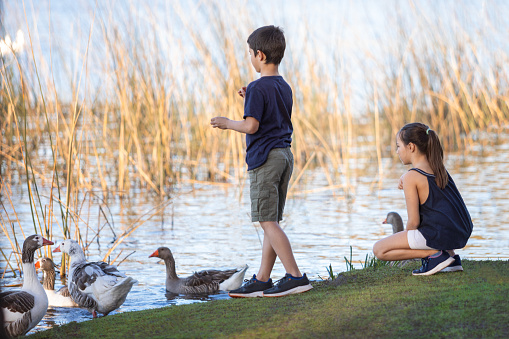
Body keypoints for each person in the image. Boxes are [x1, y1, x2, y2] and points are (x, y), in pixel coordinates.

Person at [210, 25, 312, 297]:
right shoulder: (284, 87)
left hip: (265, 159)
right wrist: (249, 99)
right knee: (271, 220)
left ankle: (296, 276)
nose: (250, 59)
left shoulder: (258, 87)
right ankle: (263, 279)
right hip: (284, 156)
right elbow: (272, 116)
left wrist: (227, 123)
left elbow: (252, 126)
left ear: (260, 55)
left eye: (250, 54)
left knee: (267, 222)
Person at [373, 122, 473, 276]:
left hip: (436, 235)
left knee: (379, 249)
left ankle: (434, 254)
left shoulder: (411, 177)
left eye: (398, 146)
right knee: (434, 221)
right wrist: (405, 177)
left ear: (411, 147)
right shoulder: (439, 169)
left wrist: (409, 242)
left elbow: (414, 222)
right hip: (459, 231)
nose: (397, 151)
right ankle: (451, 258)